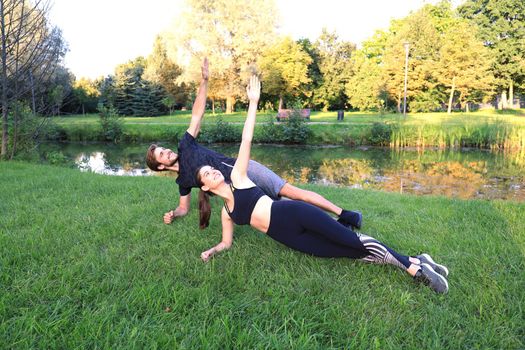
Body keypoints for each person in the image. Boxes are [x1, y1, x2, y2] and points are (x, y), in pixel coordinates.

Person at [195, 75, 449, 294]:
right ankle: (419, 259)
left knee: (352, 240)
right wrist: (212, 251)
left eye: (213, 169)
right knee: (349, 252)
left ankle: (414, 270)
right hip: (290, 238)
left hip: (295, 214)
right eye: (207, 173)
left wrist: (253, 103)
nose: (214, 172)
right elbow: (226, 243)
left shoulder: (239, 178)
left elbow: (246, 139)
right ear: (205, 187)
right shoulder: (226, 212)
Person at [145, 57, 362, 229]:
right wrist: (173, 214)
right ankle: (333, 225)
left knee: (290, 192)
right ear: (161, 166)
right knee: (284, 208)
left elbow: (196, 115)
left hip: (246, 170)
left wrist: (204, 81)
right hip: (241, 192)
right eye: (162, 155)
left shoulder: (185, 146)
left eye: (164, 150)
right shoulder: (183, 181)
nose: (168, 151)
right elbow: (184, 208)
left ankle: (347, 215)